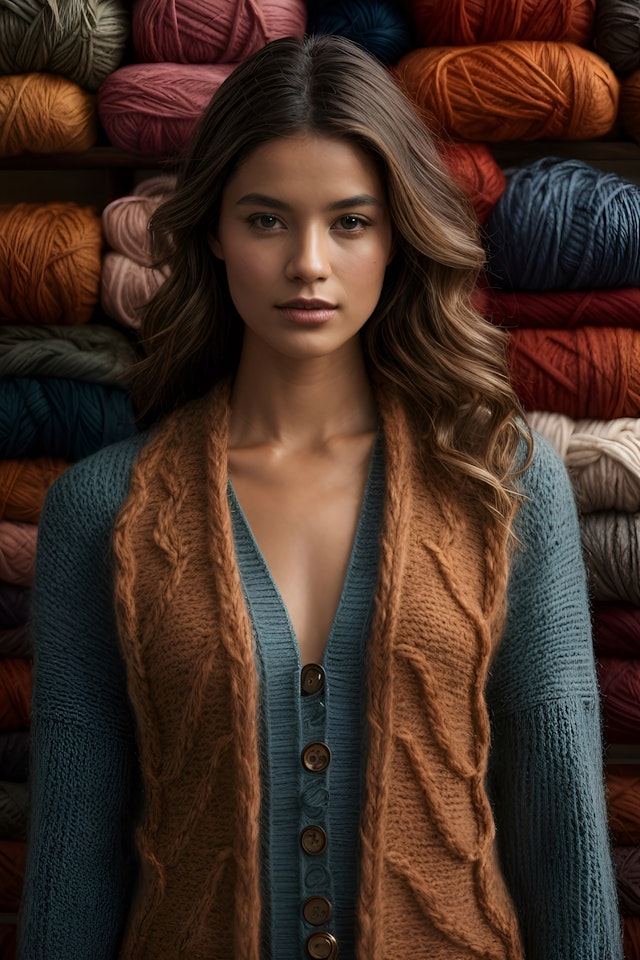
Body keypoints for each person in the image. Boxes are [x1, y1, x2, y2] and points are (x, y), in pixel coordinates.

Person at [19, 33, 622, 960]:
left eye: (350, 221)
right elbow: (74, 857)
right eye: (266, 220)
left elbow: (562, 828)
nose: (309, 261)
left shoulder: (502, 481)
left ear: (399, 235)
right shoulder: (102, 510)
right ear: (213, 231)